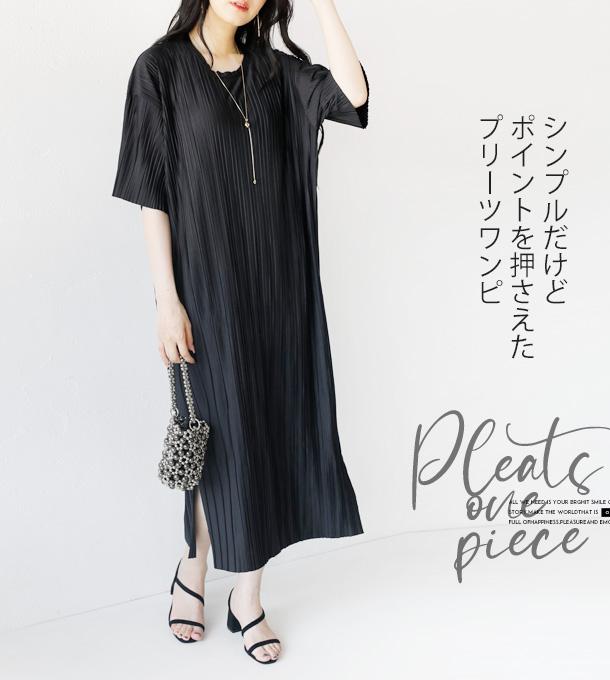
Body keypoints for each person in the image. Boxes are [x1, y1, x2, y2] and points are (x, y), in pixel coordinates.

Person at [111, 0, 369, 664]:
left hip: (279, 288)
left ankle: (247, 596)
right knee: (219, 437)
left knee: (272, 431)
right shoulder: (159, 69)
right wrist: (167, 301)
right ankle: (193, 567)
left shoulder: (275, 72)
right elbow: (151, 191)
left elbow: (353, 97)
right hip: (206, 290)